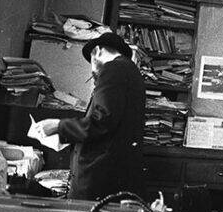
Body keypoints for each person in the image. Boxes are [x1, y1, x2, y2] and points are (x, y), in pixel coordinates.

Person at [37, 32, 145, 200]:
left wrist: (58, 126)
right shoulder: (130, 71)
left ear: (97, 51)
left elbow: (101, 122)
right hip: (115, 174)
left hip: (98, 177)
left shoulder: (112, 69)